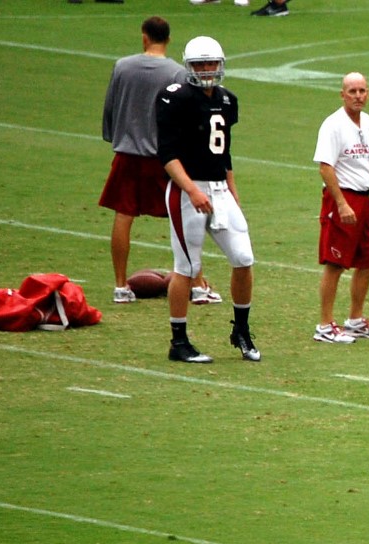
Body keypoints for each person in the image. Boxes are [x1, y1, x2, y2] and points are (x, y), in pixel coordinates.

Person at [98, 17, 221, 306]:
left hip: (127, 155)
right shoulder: (177, 72)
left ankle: (120, 286)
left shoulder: (122, 66)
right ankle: (197, 285)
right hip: (165, 159)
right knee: (185, 220)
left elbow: (110, 106)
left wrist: (114, 136)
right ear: (168, 40)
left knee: (123, 215)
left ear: (144, 37)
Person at [156, 36, 259, 363]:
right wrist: (191, 189)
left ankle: (241, 330)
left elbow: (223, 151)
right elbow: (167, 154)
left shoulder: (227, 100)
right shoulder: (175, 97)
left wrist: (232, 188)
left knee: (243, 258)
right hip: (186, 190)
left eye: (210, 63)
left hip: (219, 188)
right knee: (187, 266)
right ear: (189, 66)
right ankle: (178, 341)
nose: (206, 70)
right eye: (199, 64)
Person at [312, 72, 369, 344]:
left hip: (363, 199)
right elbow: (325, 167)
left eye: (362, 91)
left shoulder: (367, 122)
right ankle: (325, 324)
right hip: (342, 198)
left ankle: (355, 319)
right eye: (352, 91)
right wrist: (341, 204)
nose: (358, 96)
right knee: (335, 264)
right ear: (342, 94)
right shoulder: (333, 125)